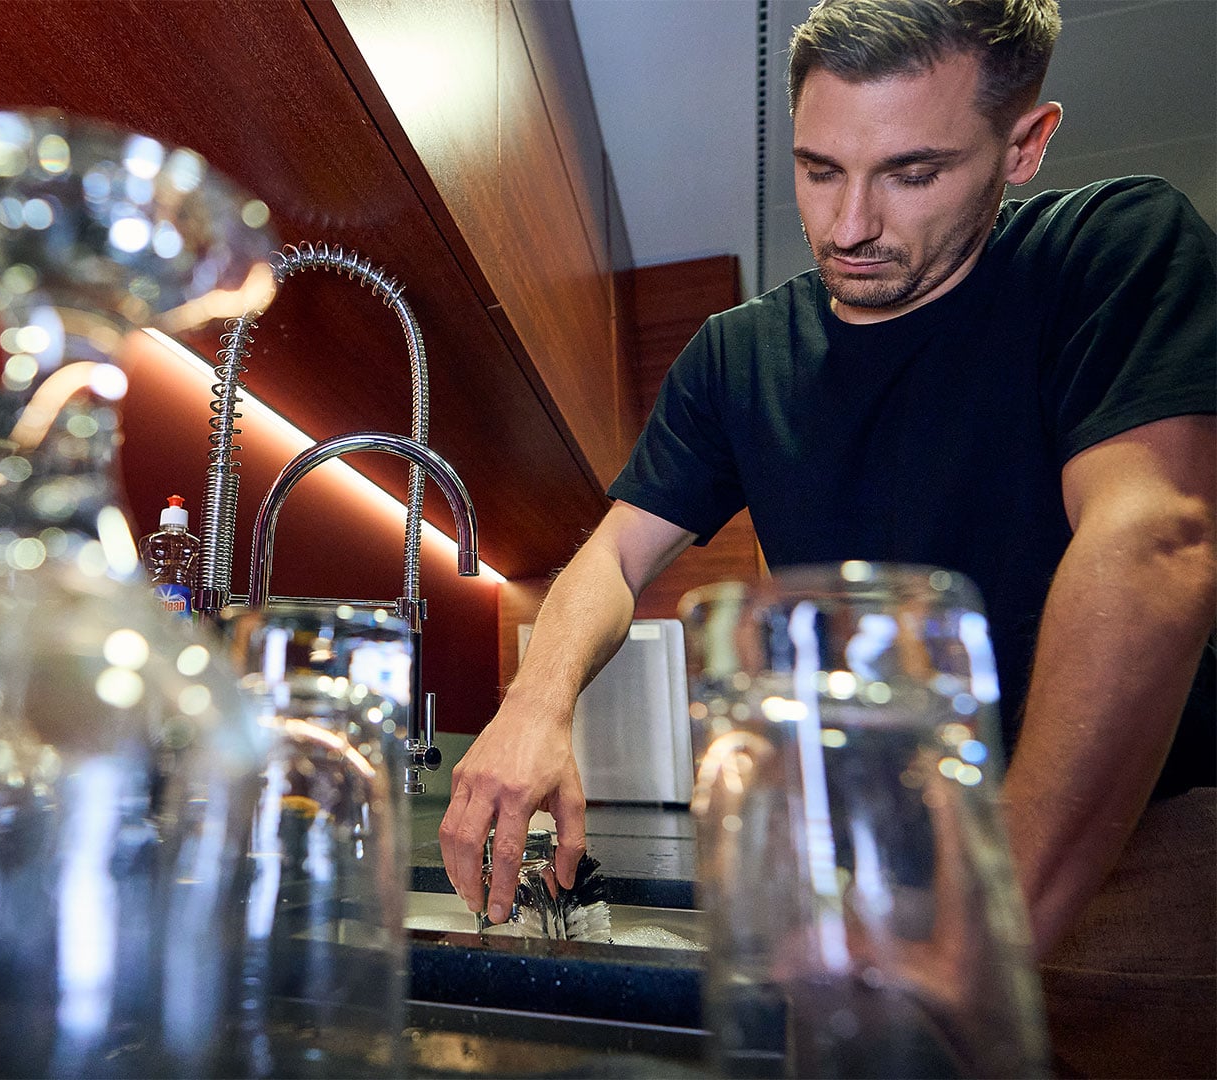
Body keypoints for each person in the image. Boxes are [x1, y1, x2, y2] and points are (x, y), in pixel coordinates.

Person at [439, 0, 1216, 1074]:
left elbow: (1152, 539)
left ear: (1024, 144)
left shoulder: (1109, 252)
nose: (849, 225)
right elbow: (612, 557)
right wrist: (534, 707)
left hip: (1135, 855)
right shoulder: (737, 358)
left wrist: (982, 935)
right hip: (859, 872)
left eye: (911, 173)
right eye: (818, 170)